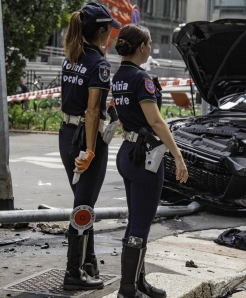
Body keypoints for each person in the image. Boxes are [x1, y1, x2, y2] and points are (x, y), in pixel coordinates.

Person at [113, 24, 189, 298]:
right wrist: (178, 156)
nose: (150, 47)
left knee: (136, 221)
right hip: (144, 158)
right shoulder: (140, 78)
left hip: (128, 153)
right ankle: (127, 290)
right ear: (142, 47)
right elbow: (156, 121)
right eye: (149, 43)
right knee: (141, 224)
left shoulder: (119, 76)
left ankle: (137, 283)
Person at [59, 2, 121, 291]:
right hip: (86, 136)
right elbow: (93, 111)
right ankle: (73, 272)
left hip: (66, 133)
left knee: (83, 202)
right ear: (101, 31)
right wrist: (92, 150)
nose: (111, 36)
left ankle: (88, 263)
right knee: (83, 207)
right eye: (110, 31)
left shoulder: (71, 56)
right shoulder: (99, 64)